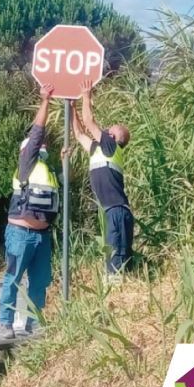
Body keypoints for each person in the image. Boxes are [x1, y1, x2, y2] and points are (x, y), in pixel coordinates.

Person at [0, 83, 59, 339]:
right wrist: (44, 101)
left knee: (40, 282)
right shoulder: (27, 162)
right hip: (20, 233)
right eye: (37, 146)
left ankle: (34, 323)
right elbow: (37, 133)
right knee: (13, 277)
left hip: (42, 237)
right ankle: (6, 323)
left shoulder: (46, 168)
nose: (41, 146)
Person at [68, 80, 134, 283]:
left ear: (113, 137)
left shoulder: (112, 147)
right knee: (113, 258)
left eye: (109, 129)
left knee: (116, 261)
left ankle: (118, 296)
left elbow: (89, 123)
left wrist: (86, 95)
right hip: (110, 211)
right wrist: (71, 109)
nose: (105, 130)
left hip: (117, 211)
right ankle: (118, 291)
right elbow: (79, 134)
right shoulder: (99, 150)